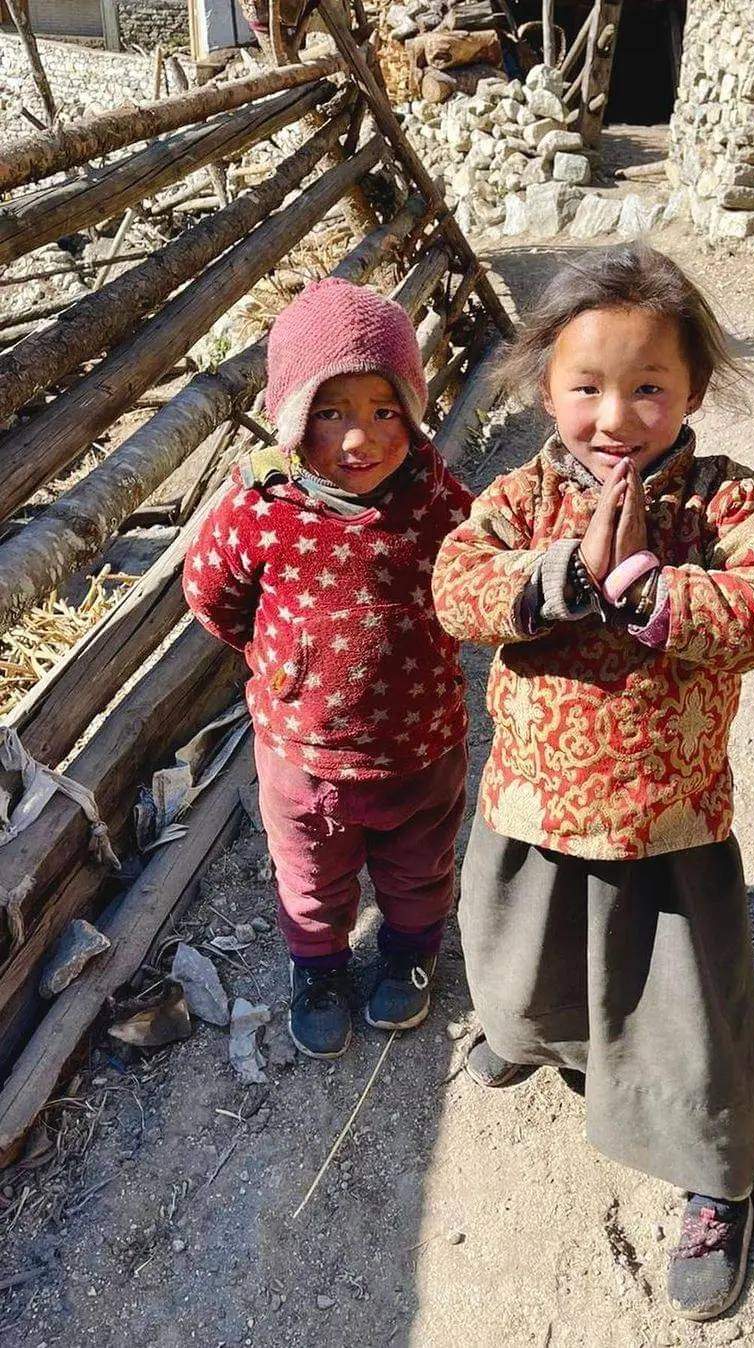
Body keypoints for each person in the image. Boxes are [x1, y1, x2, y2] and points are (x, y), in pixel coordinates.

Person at [432, 243, 754, 1321]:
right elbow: (458, 587)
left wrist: (645, 586)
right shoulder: (518, 498)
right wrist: (568, 575)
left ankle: (716, 1174)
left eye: (649, 388)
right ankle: (539, 1033)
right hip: (539, 798)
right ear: (545, 385)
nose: (616, 417)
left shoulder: (729, 502)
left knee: (686, 1011)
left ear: (694, 390)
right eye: (587, 387)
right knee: (526, 955)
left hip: (664, 812)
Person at [184, 278, 472, 1059]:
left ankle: (409, 956)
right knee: (311, 876)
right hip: (301, 755)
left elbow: (481, 579)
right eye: (332, 412)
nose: (360, 439)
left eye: (385, 411)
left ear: (412, 411)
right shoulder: (261, 508)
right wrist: (282, 665)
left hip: (421, 748)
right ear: (292, 416)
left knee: (419, 869)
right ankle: (317, 971)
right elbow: (211, 593)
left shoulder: (440, 501)